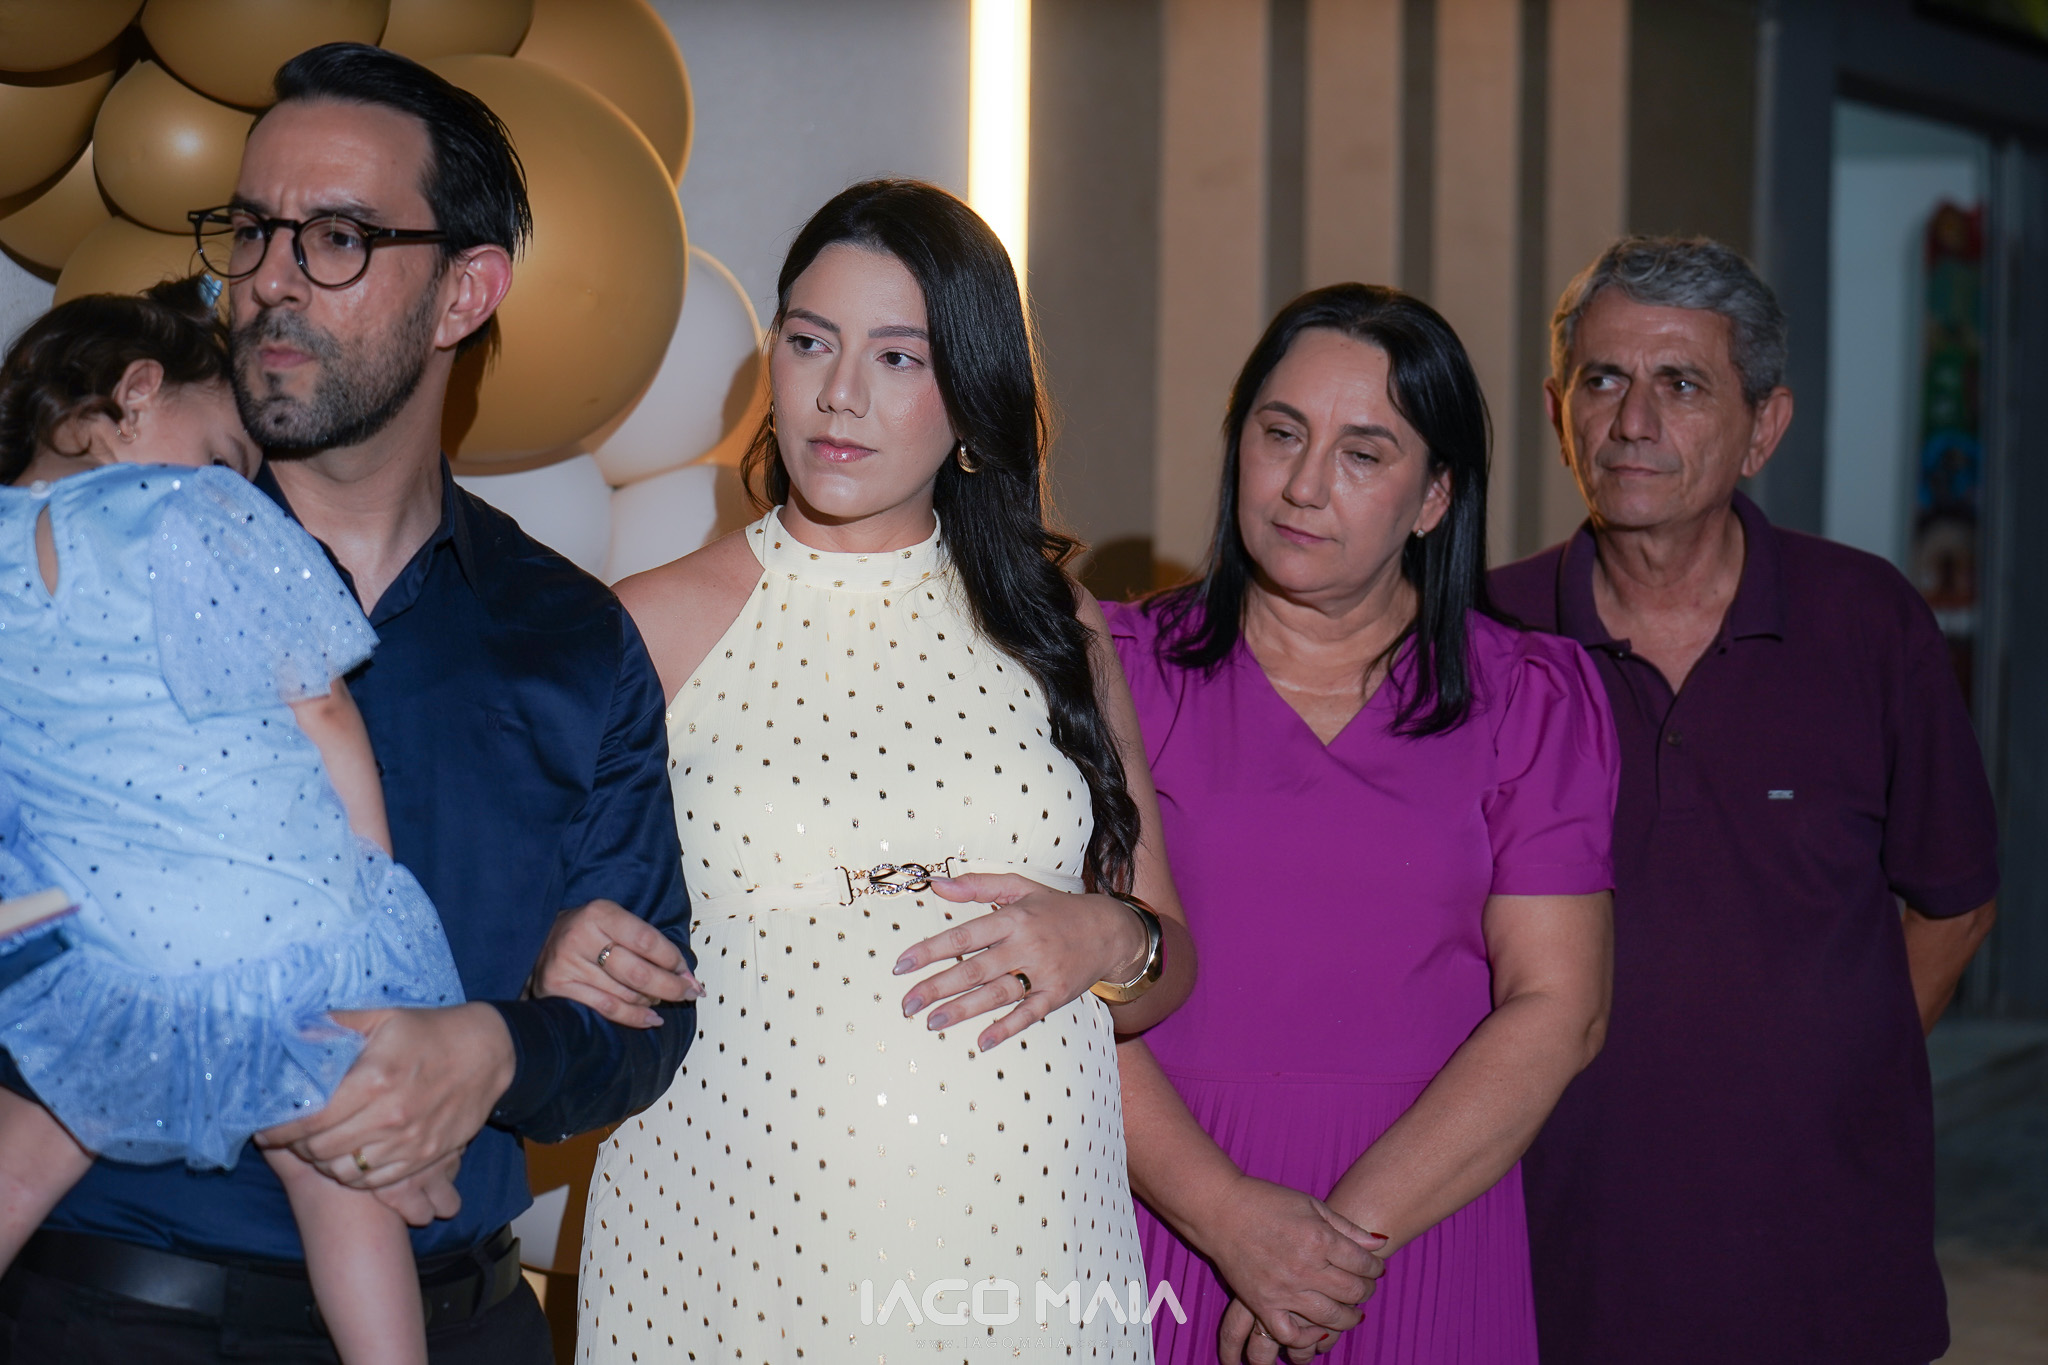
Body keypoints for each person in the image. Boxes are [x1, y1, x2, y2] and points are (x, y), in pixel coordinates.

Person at [0, 44, 701, 1365]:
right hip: (113, 1317)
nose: (269, 276)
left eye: (334, 238)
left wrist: (499, 1044)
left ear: (463, 293)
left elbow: (642, 1023)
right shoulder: (88, 570)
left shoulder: (568, 638)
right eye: (252, 230)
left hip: (457, 1326)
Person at [546, 179, 1194, 1363]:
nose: (838, 393)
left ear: (972, 396)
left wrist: (1112, 939)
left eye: (898, 357)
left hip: (1025, 1253)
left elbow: (1165, 963)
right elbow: (507, 921)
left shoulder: (1054, 624)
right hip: (731, 1251)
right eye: (809, 342)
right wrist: (553, 946)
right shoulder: (646, 627)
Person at [1492, 236, 1999, 1365]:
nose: (1633, 422)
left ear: (1763, 427)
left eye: (1681, 384)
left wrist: (1829, 1070)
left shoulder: (1868, 621)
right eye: (1603, 379)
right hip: (1553, 1269)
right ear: (1559, 412)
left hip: (1825, 1271)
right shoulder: (1485, 636)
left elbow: (1956, 903)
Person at [1110, 283, 1618, 1365]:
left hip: (1416, 1227)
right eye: (1279, 433)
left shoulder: (1528, 698)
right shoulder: (1115, 674)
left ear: (1433, 497)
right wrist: (1231, 1219)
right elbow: (1064, 993)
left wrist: (1332, 1249)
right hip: (1159, 1215)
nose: (1303, 485)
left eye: (1362, 453)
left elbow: (1559, 1008)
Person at [0, 277, 464, 1365]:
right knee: (344, 1177)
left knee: (29, 1148)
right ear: (137, 391)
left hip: (107, 945)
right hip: (274, 921)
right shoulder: (192, 511)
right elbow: (322, 705)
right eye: (224, 452)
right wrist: (371, 895)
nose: (238, 481)